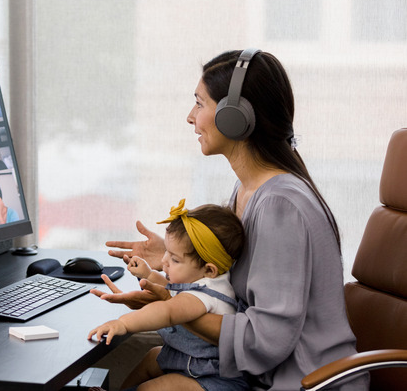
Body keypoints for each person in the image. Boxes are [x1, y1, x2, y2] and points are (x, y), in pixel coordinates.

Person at [96, 49, 367, 390]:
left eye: (199, 103)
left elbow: (265, 340)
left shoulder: (281, 206)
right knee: (151, 357)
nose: (190, 116)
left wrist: (173, 304)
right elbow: (237, 281)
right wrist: (182, 257)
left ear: (234, 116)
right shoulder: (247, 189)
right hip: (261, 374)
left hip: (299, 382)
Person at [89, 200, 249, 391]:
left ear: (209, 269)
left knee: (158, 387)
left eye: (174, 259)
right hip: (192, 362)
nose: (164, 261)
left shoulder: (208, 295)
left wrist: (123, 323)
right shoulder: (205, 278)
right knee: (152, 357)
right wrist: (149, 274)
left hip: (216, 380)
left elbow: (168, 311)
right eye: (167, 252)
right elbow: (171, 290)